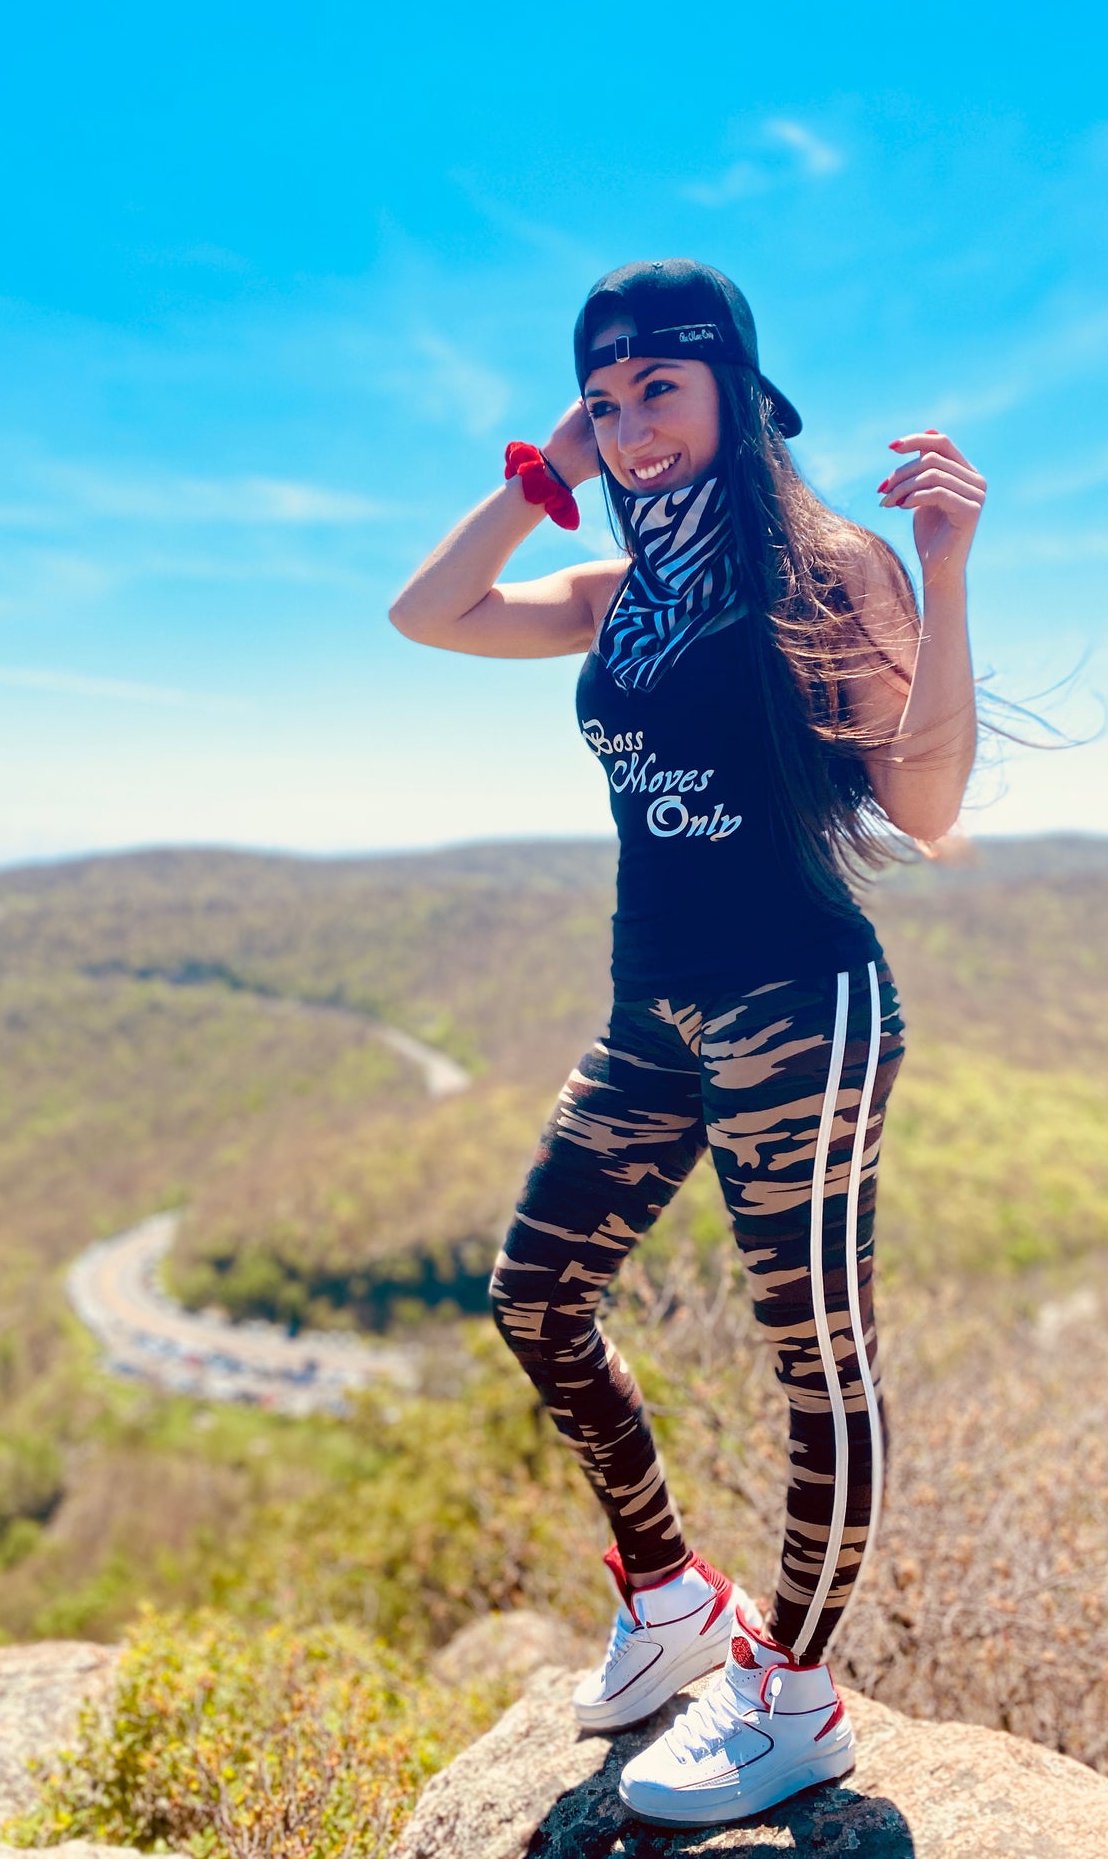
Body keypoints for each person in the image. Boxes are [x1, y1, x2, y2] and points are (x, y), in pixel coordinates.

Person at [388, 258, 982, 1828]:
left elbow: (922, 811)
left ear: (731, 382)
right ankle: (669, 1602)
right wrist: (554, 466)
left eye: (660, 386)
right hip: (652, 1009)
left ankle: (789, 1698)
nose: (634, 421)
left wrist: (942, 560)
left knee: (813, 1360)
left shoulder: (829, 565)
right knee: (536, 1292)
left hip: (802, 1005)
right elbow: (426, 613)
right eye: (607, 392)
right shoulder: (622, 589)